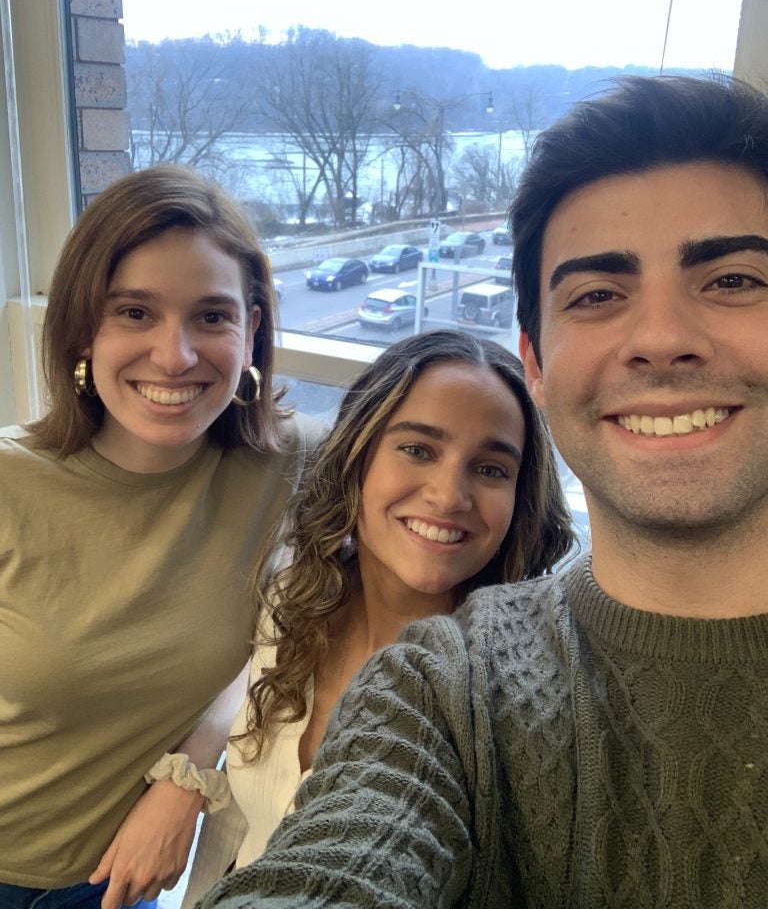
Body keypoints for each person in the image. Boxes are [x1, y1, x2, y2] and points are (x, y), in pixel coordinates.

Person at [197, 73, 768, 909]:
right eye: (598, 294)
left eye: (733, 280)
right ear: (538, 362)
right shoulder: (445, 687)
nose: (661, 340)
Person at [0, 164, 321, 909]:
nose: (175, 356)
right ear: (83, 327)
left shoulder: (294, 465)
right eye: (135, 313)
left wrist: (190, 769)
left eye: (211, 317)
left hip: (120, 884)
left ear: (252, 332)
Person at [182, 329, 575, 902]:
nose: (448, 496)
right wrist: (185, 783)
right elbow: (243, 827)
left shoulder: (515, 699)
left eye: (491, 469)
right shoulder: (294, 597)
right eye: (418, 449)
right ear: (358, 456)